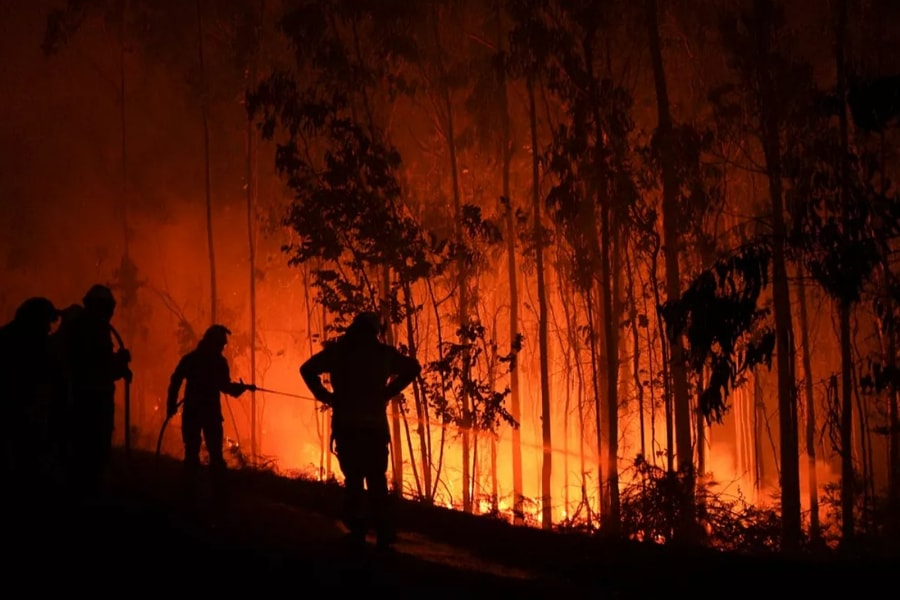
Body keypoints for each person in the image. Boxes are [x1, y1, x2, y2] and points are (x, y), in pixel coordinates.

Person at [299, 311, 421, 550]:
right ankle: (383, 533)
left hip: (348, 428)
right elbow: (413, 367)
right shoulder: (382, 354)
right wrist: (388, 392)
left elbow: (307, 369)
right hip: (374, 430)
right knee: (376, 480)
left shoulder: (340, 352)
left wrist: (325, 396)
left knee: (354, 480)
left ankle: (357, 532)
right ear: (375, 331)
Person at [56, 284, 132, 498]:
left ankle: (84, 491)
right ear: (98, 306)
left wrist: (120, 366)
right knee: (91, 449)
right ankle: (86, 494)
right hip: (90, 400)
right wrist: (120, 363)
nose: (110, 312)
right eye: (108, 307)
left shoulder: (90, 327)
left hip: (88, 397)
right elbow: (98, 366)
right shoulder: (91, 329)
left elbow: (101, 365)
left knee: (88, 449)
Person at [166, 324, 253, 495]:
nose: (222, 347)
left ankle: (197, 491)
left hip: (197, 412)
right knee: (208, 453)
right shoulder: (217, 362)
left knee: (197, 451)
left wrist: (171, 404)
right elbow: (225, 387)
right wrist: (239, 389)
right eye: (221, 344)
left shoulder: (193, 359)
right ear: (213, 342)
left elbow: (176, 380)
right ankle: (208, 492)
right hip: (208, 413)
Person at [0, 296, 65, 504]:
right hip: (19, 410)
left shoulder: (8, 336)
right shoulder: (32, 344)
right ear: (36, 321)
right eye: (46, 324)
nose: (48, 329)